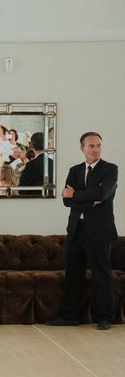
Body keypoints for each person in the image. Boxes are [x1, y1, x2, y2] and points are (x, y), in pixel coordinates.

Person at [48, 132, 118, 330]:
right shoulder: (75, 170)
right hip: (76, 230)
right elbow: (66, 200)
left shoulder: (110, 169)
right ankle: (69, 316)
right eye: (91, 146)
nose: (95, 149)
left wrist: (77, 196)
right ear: (82, 148)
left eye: (98, 146)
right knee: (73, 274)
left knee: (101, 274)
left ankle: (105, 317)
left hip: (99, 231)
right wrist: (89, 200)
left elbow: (102, 194)